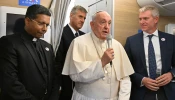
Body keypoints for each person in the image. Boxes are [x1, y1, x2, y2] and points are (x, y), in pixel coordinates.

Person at [62, 11, 134, 100]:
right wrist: (102, 63)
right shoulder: (78, 42)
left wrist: (123, 98)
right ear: (92, 25)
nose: (107, 27)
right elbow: (75, 76)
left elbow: (125, 78)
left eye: (109, 23)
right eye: (103, 22)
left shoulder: (117, 45)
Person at [0, 4, 60, 100]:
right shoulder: (9, 43)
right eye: (41, 23)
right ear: (27, 21)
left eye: (47, 25)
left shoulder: (47, 47)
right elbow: (10, 82)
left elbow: (54, 77)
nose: (45, 29)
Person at [124, 5, 175, 100]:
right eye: (140, 19)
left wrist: (171, 74)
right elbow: (126, 68)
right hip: (141, 93)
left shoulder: (171, 39)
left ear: (156, 19)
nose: (142, 22)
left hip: (166, 92)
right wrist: (142, 80)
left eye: (145, 18)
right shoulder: (131, 41)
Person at [55, 5, 87, 100]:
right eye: (80, 16)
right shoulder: (61, 34)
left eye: (84, 18)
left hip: (82, 83)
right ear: (71, 15)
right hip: (66, 83)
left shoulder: (84, 36)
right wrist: (58, 85)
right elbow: (58, 62)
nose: (82, 20)